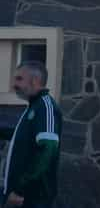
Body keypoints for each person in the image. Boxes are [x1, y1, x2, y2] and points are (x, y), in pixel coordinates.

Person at [0, 61, 62, 208]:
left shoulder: (46, 107)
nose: (14, 84)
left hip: (33, 199)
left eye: (19, 79)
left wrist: (20, 190)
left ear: (35, 81)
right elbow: (22, 138)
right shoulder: (34, 106)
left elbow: (48, 149)